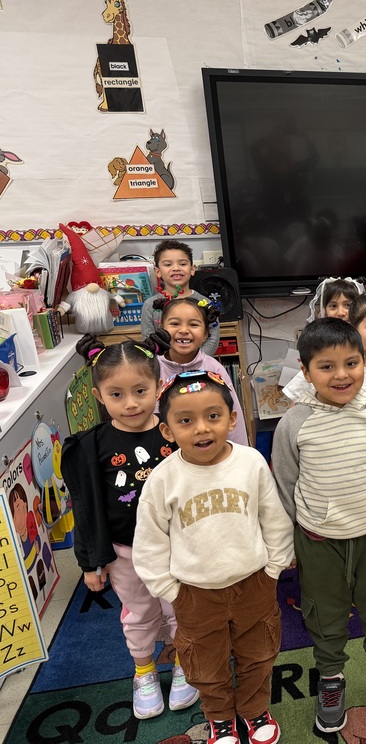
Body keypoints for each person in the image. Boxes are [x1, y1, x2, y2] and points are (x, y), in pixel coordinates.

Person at [272, 318, 366, 735]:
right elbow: (283, 486)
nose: (341, 375)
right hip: (318, 540)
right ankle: (332, 677)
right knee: (323, 612)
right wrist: (286, 545)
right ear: (306, 372)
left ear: (363, 363)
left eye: (351, 363)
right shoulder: (294, 423)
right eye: (326, 366)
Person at [133, 370, 293, 744]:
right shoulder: (163, 479)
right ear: (168, 430)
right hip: (195, 593)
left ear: (232, 418)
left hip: (254, 582)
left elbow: (274, 519)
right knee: (205, 664)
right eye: (186, 421)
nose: (202, 429)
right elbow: (150, 542)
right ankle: (219, 716)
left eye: (213, 416)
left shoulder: (250, 462)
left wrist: (273, 569)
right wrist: (170, 591)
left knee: (259, 653)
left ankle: (254, 709)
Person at [61, 336, 199, 721]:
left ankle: (185, 664)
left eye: (140, 391)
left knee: (181, 611)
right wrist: (91, 562)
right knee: (139, 613)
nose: (131, 403)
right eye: (116, 394)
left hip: (179, 548)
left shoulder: (177, 432)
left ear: (159, 386)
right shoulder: (92, 446)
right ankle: (144, 673)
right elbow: (87, 508)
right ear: (99, 395)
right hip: (127, 553)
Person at [154, 296, 248, 446]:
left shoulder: (215, 369)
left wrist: (241, 454)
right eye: (174, 323)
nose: (183, 330)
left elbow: (232, 414)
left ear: (205, 334)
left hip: (206, 448)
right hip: (163, 453)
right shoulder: (152, 369)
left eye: (193, 324)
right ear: (161, 329)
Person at [140, 240, 219, 356]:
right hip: (164, 368)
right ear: (157, 271)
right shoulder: (150, 305)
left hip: (199, 366)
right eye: (168, 264)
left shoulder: (206, 303)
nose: (176, 268)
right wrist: (168, 363)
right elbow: (149, 341)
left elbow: (212, 340)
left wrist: (196, 362)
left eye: (182, 264)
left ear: (192, 269)